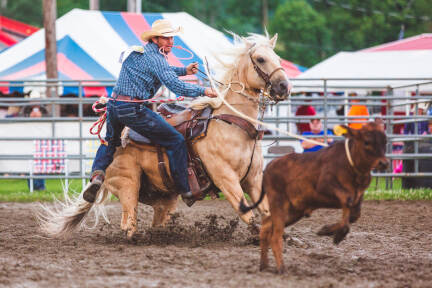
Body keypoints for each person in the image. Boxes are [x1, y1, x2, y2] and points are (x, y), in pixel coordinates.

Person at [83, 19, 217, 203]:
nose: (171, 42)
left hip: (114, 105)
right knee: (176, 140)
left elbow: (161, 70)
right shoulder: (156, 59)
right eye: (166, 38)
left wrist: (184, 70)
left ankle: (97, 176)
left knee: (111, 141)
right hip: (133, 110)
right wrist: (204, 91)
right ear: (155, 39)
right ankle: (184, 189)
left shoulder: (139, 52)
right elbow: (174, 85)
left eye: (171, 38)